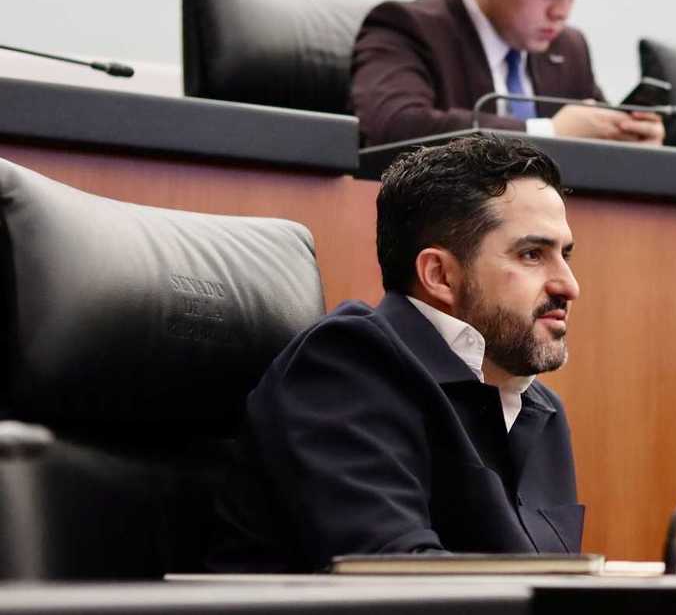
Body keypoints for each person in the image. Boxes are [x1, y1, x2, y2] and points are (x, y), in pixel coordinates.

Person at [211, 134, 584, 571]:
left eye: (566, 255)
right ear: (439, 274)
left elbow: (551, 582)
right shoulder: (347, 366)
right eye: (532, 254)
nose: (568, 285)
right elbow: (396, 577)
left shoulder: (539, 408)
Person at [350, 0, 664, 147]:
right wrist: (547, 133)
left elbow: (590, 133)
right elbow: (388, 127)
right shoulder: (405, 27)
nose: (562, 12)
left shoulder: (569, 49)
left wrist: (628, 139)